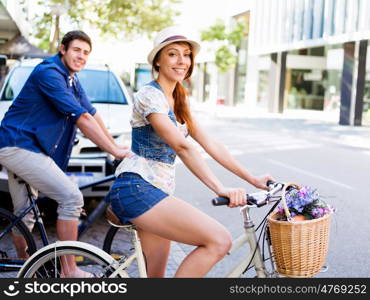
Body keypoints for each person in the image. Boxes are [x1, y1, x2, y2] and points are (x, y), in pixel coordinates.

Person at [108, 26, 275, 278]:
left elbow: (211, 144)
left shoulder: (180, 99)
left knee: (155, 278)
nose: (182, 61)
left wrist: (253, 179)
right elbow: (182, 145)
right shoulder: (148, 96)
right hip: (137, 188)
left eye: (186, 55)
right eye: (173, 54)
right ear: (158, 60)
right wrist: (220, 188)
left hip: (155, 191)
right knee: (219, 240)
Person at [0, 30, 128, 277]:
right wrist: (113, 150)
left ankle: (26, 266)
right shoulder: (49, 73)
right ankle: (69, 270)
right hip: (18, 146)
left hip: (25, 148)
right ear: (63, 49)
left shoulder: (71, 78)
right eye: (77, 50)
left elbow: (91, 112)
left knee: (24, 214)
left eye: (86, 53)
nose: (81, 56)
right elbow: (80, 117)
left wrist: (116, 145)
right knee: (71, 198)